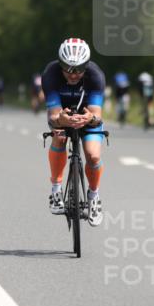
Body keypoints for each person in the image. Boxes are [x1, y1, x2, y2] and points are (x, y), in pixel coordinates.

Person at [42, 38, 106, 226]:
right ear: (60, 64)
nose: (73, 74)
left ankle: (94, 196)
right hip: (62, 115)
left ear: (86, 66)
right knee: (59, 137)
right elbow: (53, 116)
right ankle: (56, 190)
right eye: (68, 68)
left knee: (93, 156)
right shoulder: (51, 74)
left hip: (87, 117)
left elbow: (97, 116)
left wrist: (89, 119)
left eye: (78, 69)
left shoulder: (95, 76)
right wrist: (62, 119)